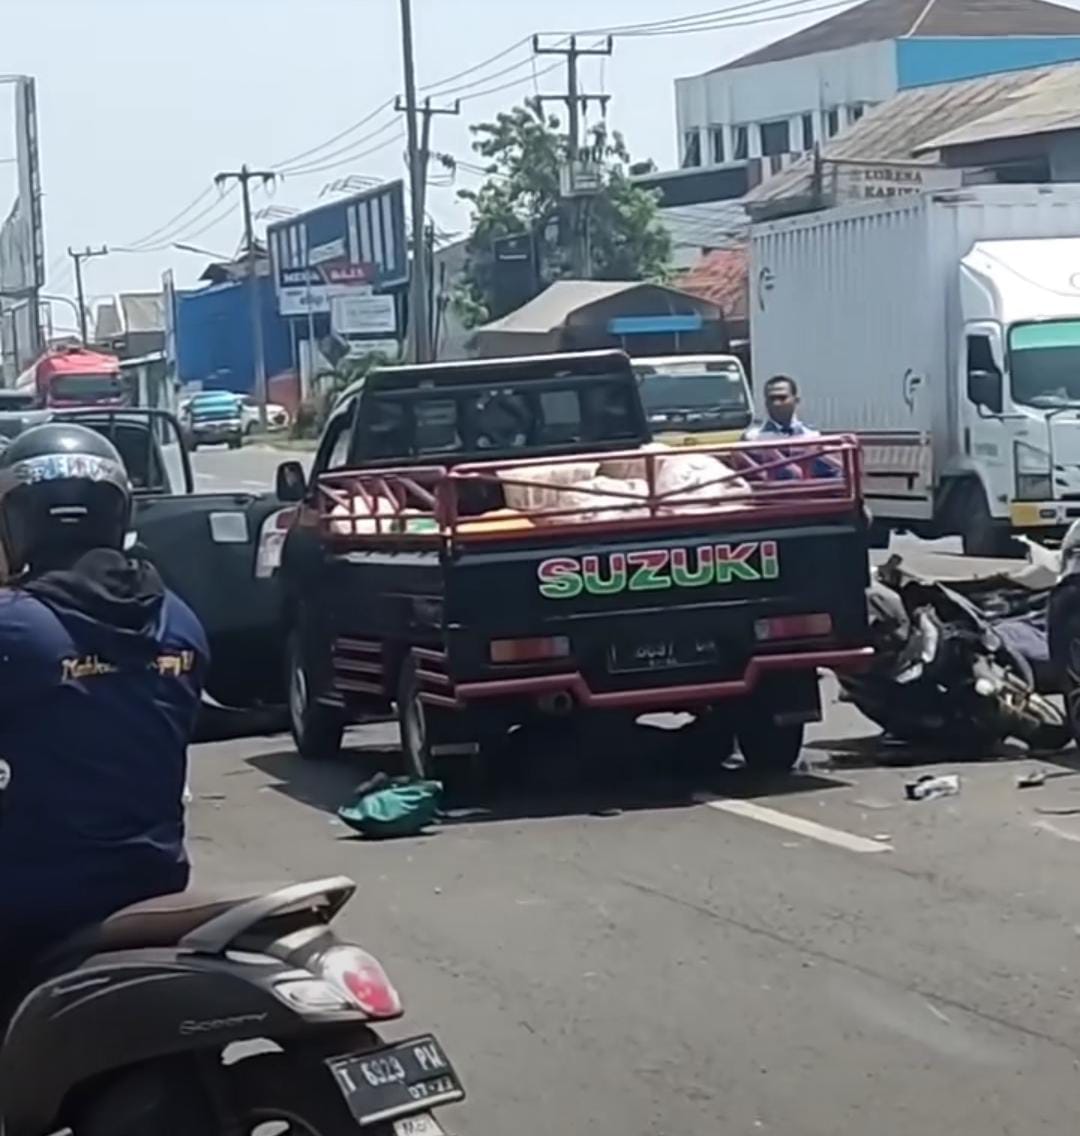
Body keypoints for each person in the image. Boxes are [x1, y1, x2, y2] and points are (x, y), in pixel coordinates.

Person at [0, 423, 208, 999]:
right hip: (157, 882)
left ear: (18, 522)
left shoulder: (16, 626)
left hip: (37, 901)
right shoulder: (177, 619)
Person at [742, 374, 839, 479]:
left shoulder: (812, 437)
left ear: (796, 400)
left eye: (782, 398)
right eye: (771, 399)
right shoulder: (753, 439)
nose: (776, 403)